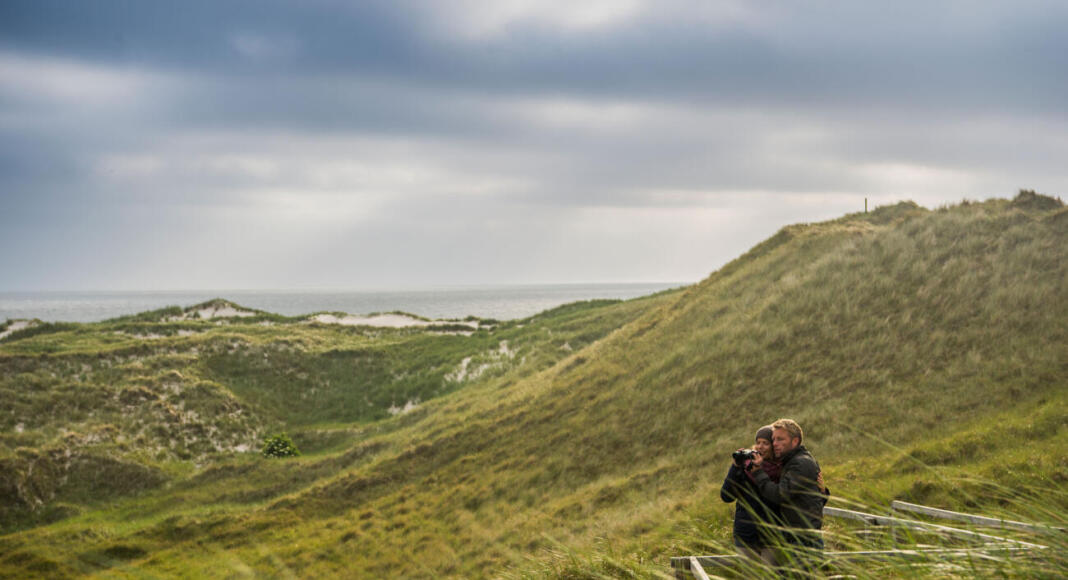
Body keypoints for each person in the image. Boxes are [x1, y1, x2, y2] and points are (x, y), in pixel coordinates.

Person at [749, 418, 826, 570]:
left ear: (795, 441)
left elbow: (780, 495)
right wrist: (823, 491)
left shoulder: (800, 463)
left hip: (803, 540)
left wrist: (758, 473)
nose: (775, 444)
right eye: (773, 439)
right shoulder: (794, 461)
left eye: (780, 439)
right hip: (798, 538)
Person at [720, 425, 782, 565]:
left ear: (773, 446)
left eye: (765, 443)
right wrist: (735, 467)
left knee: (770, 575)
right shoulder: (744, 467)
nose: (760, 447)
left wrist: (758, 471)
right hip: (746, 534)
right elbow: (726, 496)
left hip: (772, 533)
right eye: (758, 442)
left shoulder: (780, 468)